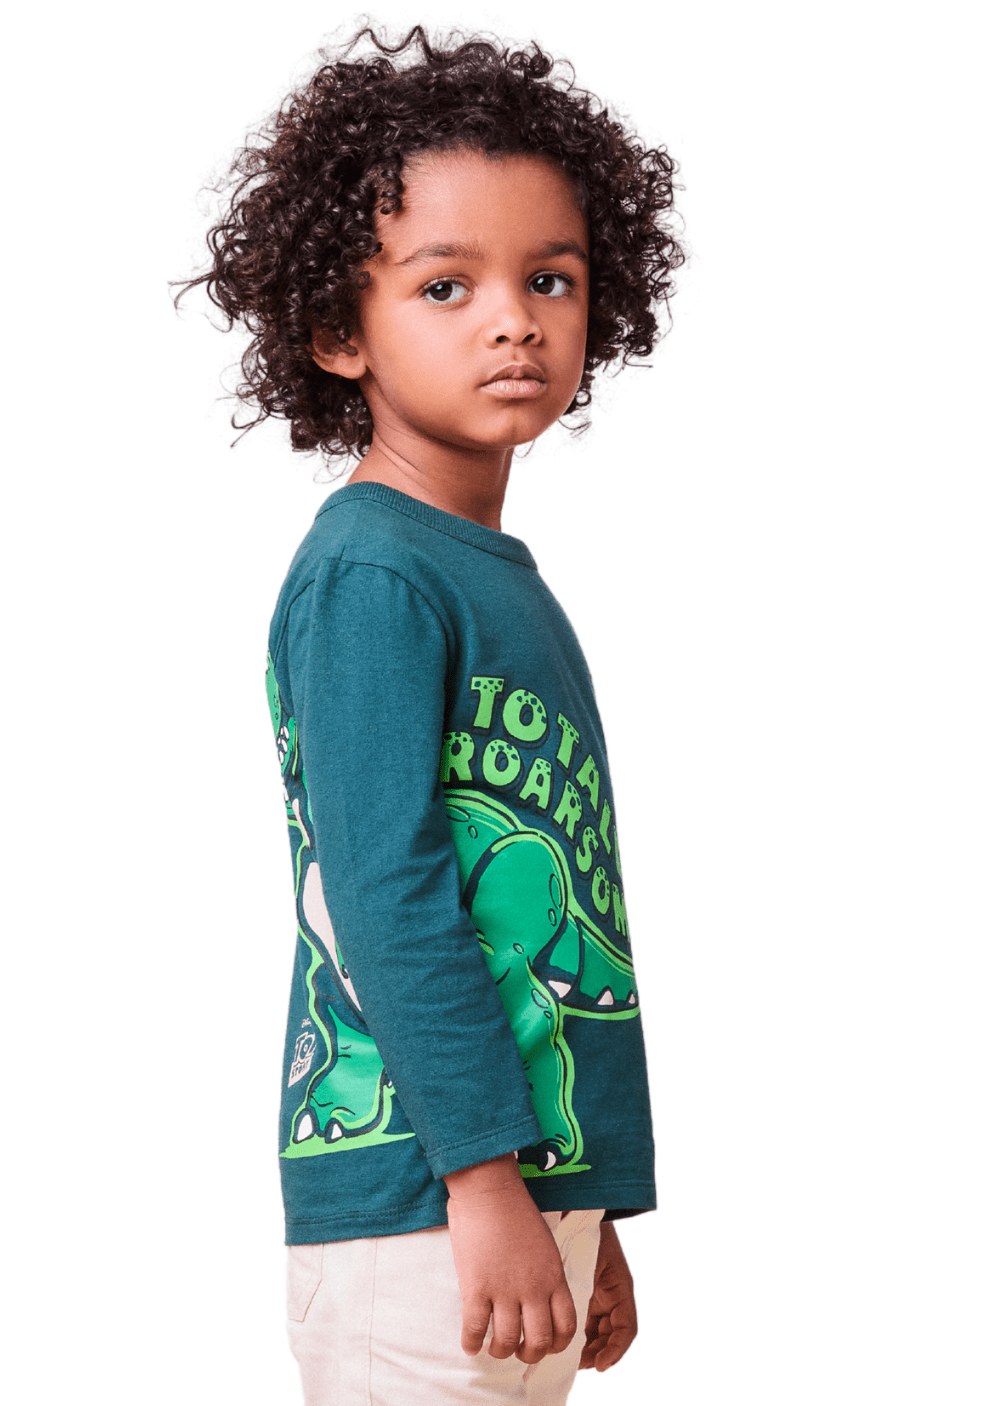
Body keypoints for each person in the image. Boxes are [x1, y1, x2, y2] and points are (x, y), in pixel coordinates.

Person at [179, 25, 683, 1404]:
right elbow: (386, 894)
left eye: (548, 278)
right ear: (338, 332)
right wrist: (483, 1180)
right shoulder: (371, 577)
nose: (512, 318)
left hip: (507, 1195)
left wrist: (582, 1203)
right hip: (420, 1200)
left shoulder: (486, 574)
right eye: (446, 285)